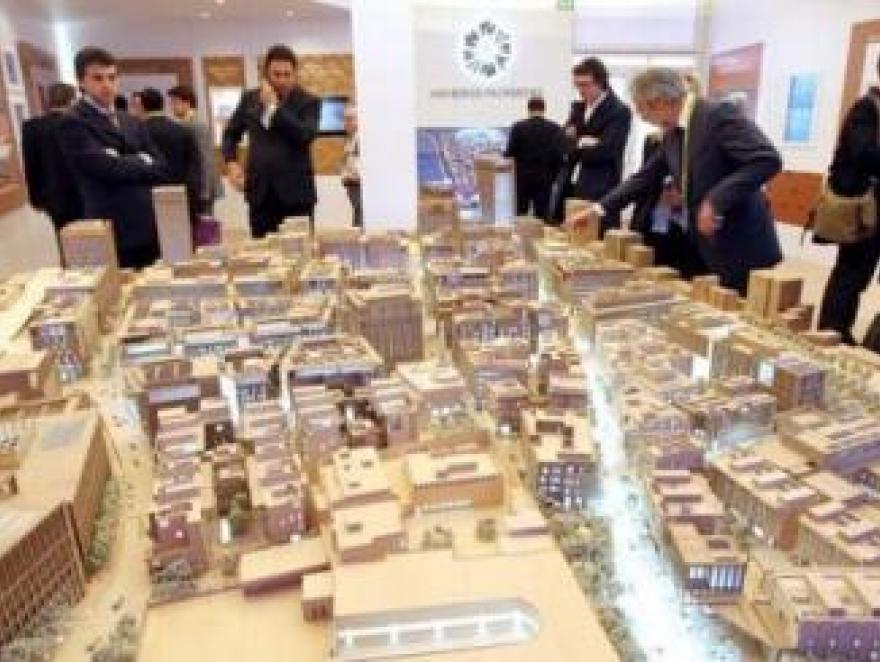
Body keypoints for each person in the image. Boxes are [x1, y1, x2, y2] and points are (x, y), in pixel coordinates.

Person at [568, 67, 782, 295]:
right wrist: (598, 209)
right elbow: (645, 177)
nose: (640, 115)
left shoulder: (717, 115)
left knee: (743, 308)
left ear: (658, 101)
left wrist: (715, 201)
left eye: (640, 107)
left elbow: (766, 159)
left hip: (741, 243)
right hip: (707, 243)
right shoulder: (673, 131)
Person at [60, 47, 166, 269]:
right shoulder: (74, 122)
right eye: (98, 78)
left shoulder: (131, 120)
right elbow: (106, 169)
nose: (107, 85)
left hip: (147, 224)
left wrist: (121, 159)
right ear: (81, 82)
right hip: (112, 226)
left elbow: (161, 167)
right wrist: (141, 159)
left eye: (112, 77)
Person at [222, 44, 320, 238]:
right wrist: (231, 163)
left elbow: (305, 135)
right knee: (261, 249)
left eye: (287, 74)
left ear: (295, 74)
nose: (282, 80)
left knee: (299, 250)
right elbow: (230, 134)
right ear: (266, 74)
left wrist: (274, 108)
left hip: (296, 195)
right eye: (276, 74)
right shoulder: (249, 98)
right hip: (260, 193)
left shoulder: (308, 102)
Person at [818, 55, 880, 345]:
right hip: (862, 208)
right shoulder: (867, 108)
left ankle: (839, 329)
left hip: (872, 206)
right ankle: (831, 330)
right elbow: (863, 154)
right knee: (851, 272)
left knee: (859, 274)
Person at [563, 57, 632, 233]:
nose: (580, 90)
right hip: (573, 183)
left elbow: (605, 152)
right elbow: (561, 143)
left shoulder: (619, 111)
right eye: (577, 85)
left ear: (601, 82)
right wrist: (584, 142)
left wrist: (576, 142)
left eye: (585, 85)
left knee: (597, 237)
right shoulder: (578, 108)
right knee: (574, 235)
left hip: (601, 187)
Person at [21, 82, 83, 261]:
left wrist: (35, 198)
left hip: (52, 195)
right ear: (72, 100)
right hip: (81, 192)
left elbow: (30, 164)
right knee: (88, 236)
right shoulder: (79, 124)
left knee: (62, 235)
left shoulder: (32, 127)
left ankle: (68, 266)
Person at [140, 87, 203, 228]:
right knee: (182, 234)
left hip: (149, 196)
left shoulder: (138, 132)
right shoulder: (181, 130)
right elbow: (195, 165)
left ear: (142, 107)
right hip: (181, 193)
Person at [167, 84, 224, 216]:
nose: (172, 107)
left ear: (187, 103)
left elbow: (206, 159)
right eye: (171, 103)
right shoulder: (182, 123)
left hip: (202, 186)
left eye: (175, 102)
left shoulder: (197, 124)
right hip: (193, 184)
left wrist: (205, 191)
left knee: (204, 224)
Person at [504, 96, 564, 220]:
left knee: (520, 215)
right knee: (542, 216)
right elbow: (559, 157)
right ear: (544, 109)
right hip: (544, 179)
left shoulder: (518, 127)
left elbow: (509, 155)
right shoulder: (555, 128)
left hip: (522, 179)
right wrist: (552, 177)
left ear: (528, 109)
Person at [341, 103, 362, 228]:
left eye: (350, 119)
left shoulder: (361, 139)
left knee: (359, 224)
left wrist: (349, 175)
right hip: (353, 188)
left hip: (359, 188)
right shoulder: (351, 138)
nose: (346, 123)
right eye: (344, 119)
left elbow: (360, 169)